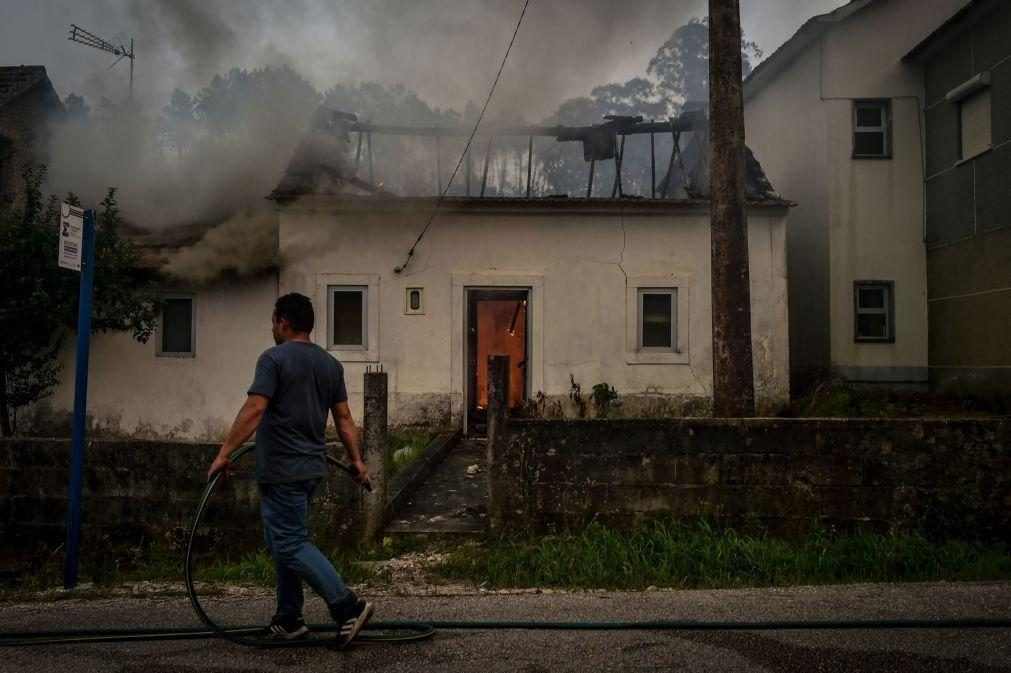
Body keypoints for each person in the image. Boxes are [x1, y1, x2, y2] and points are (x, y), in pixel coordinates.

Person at [207, 292, 374, 648]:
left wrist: (224, 453)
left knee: (290, 542)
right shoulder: (330, 364)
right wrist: (357, 461)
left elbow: (255, 408)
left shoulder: (273, 359)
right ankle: (289, 618)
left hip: (283, 469)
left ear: (283, 322)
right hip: (310, 469)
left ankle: (347, 607)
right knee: (280, 541)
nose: (272, 327)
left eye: (273, 321)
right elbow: (343, 418)